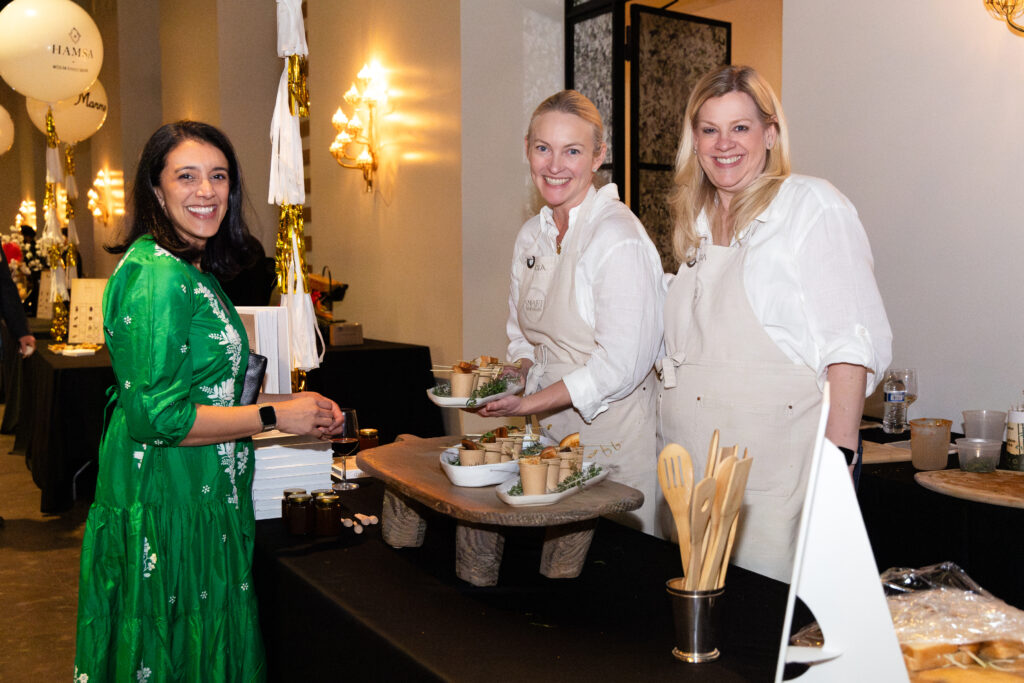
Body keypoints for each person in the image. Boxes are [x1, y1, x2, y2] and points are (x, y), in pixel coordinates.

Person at [74, 121, 344, 681]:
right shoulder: (156, 278)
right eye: (187, 176)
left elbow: (209, 388)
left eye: (218, 176)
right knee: (174, 650)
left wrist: (295, 404)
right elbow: (158, 417)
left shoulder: (187, 266)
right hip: (168, 495)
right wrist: (275, 415)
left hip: (199, 490)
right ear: (155, 189)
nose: (206, 191)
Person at [657, 65, 892, 582]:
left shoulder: (810, 206)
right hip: (690, 479)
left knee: (760, 637)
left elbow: (849, 347)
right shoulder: (694, 225)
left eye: (740, 127)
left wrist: (840, 464)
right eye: (709, 129)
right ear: (693, 141)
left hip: (772, 484)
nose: (724, 144)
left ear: (770, 133)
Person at [478, 90, 664, 534]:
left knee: (611, 578)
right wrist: (517, 373)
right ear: (527, 149)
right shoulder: (531, 236)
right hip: (549, 443)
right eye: (543, 148)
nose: (554, 165)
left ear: (599, 156)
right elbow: (525, 339)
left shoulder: (617, 238)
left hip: (613, 448)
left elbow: (619, 367)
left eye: (573, 151)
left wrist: (527, 403)